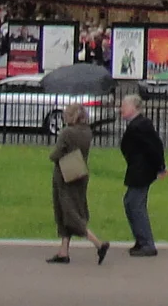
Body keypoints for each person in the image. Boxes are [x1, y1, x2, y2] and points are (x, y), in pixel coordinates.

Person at [47, 102, 111, 264]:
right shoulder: (87, 132)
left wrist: (52, 156)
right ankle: (63, 251)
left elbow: (57, 153)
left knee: (68, 212)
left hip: (65, 173)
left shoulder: (67, 132)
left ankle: (98, 244)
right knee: (71, 208)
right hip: (80, 172)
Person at [117, 94, 166, 257]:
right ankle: (141, 240)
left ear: (134, 108)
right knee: (130, 203)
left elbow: (155, 147)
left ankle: (147, 243)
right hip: (138, 170)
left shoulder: (141, 125)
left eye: (124, 106)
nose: (121, 109)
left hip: (142, 171)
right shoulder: (137, 124)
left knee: (135, 205)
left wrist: (160, 167)